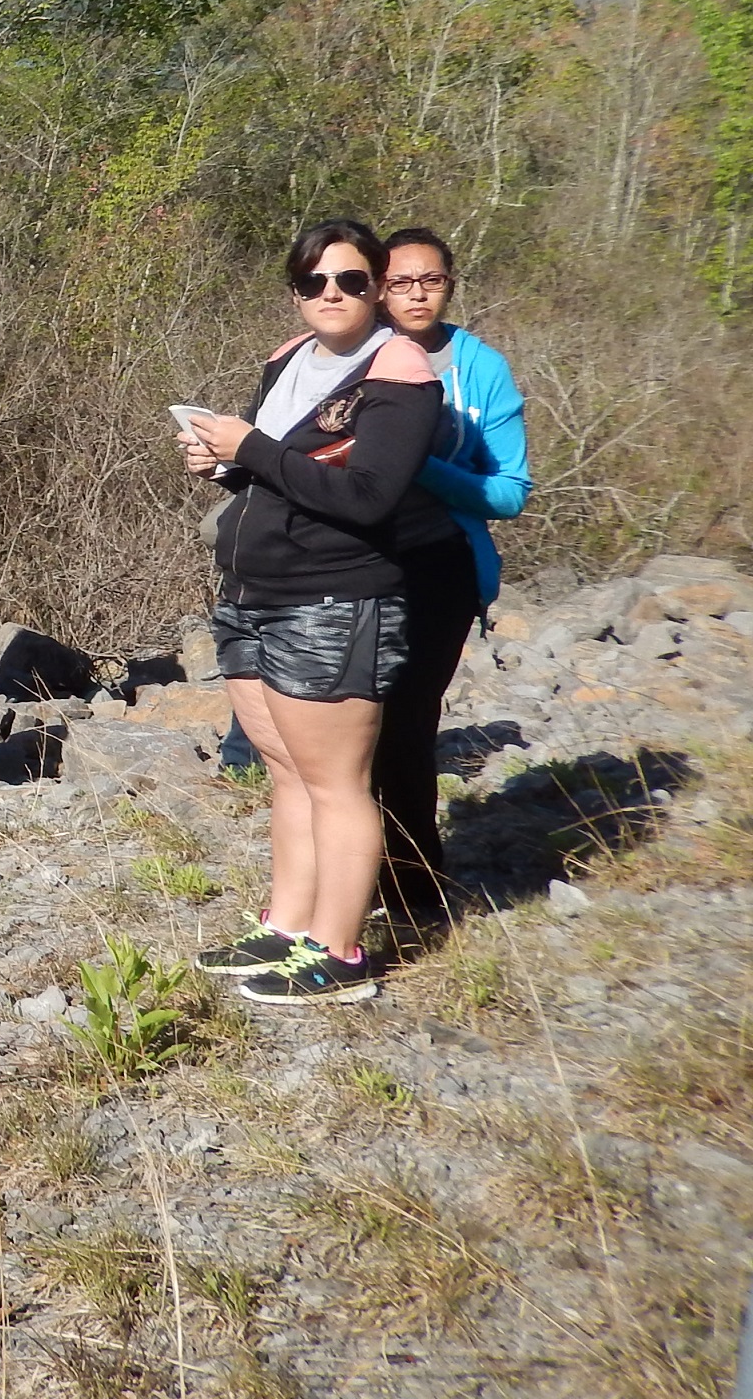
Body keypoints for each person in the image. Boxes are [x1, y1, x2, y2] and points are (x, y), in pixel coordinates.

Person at [180, 218, 461, 1006]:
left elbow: (369, 497)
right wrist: (223, 463)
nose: (330, 294)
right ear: (295, 293)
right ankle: (289, 924)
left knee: (337, 782)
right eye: (313, 283)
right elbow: (282, 474)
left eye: (349, 280)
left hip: (334, 597)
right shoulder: (288, 362)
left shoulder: (399, 373)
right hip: (253, 594)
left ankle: (340, 953)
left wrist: (253, 450)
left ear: (377, 285)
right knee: (287, 772)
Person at [371, 225, 532, 936]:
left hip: (442, 567)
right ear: (378, 286)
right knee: (348, 727)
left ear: (450, 283)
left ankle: (411, 888)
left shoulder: (481, 367)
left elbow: (509, 492)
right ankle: (346, 878)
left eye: (429, 280)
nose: (415, 293)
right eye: (400, 281)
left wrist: (418, 465)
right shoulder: (354, 354)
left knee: (406, 722)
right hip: (354, 562)